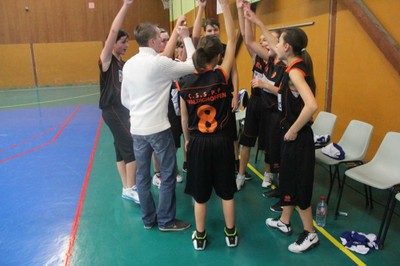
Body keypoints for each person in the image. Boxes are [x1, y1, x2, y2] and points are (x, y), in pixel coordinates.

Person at [245, 8, 319, 253]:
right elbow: (274, 46)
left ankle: (310, 233)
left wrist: (294, 130)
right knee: (287, 180)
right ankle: (285, 222)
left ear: (286, 48)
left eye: (280, 41)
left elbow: (312, 106)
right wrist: (256, 20)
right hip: (289, 132)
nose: (275, 45)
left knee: (298, 185)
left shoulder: (296, 72)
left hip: (297, 136)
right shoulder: (291, 64)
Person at [121, 18, 195, 231]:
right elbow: (192, 64)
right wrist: (187, 38)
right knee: (168, 173)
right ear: (152, 41)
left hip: (137, 129)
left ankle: (148, 220)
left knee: (143, 176)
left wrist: (139, 110)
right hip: (159, 128)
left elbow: (125, 99)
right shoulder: (160, 64)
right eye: (160, 38)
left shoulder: (130, 64)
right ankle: (166, 221)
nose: (164, 42)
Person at [178, 0, 237, 250]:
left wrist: (188, 140)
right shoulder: (222, 76)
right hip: (222, 141)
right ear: (219, 56)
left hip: (198, 142)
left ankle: (200, 238)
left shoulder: (185, 82)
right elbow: (233, 38)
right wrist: (225, 7)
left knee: (200, 196)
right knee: (227, 192)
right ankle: (231, 235)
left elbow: (183, 118)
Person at [235, 0, 285, 195]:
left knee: (267, 144)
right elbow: (248, 39)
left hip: (270, 105)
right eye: (264, 39)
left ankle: (268, 173)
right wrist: (246, 14)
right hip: (255, 103)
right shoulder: (259, 57)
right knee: (246, 140)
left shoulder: (280, 63)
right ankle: (240, 174)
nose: (264, 42)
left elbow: (281, 89)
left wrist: (265, 85)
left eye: (269, 39)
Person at [192, 0, 241, 173]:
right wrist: (202, 8)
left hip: (222, 97)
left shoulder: (225, 50)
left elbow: (234, 72)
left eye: (215, 29)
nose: (213, 32)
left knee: (229, 133)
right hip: (207, 100)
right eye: (209, 30)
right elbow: (195, 37)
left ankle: (232, 164)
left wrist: (235, 96)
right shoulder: (201, 50)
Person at [99, 0, 139, 204]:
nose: (126, 45)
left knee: (119, 148)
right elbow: (114, 30)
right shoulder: (107, 60)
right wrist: (126, 5)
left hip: (123, 110)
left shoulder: (123, 64)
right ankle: (132, 187)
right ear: (113, 42)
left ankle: (126, 187)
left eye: (127, 41)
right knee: (131, 147)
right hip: (112, 109)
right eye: (122, 41)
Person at [151, 29, 184, 188]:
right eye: (162, 40)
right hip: (157, 108)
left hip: (174, 107)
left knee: (173, 142)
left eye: (167, 40)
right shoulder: (153, 62)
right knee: (157, 144)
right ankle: (158, 173)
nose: (164, 43)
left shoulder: (175, 63)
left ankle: (173, 169)